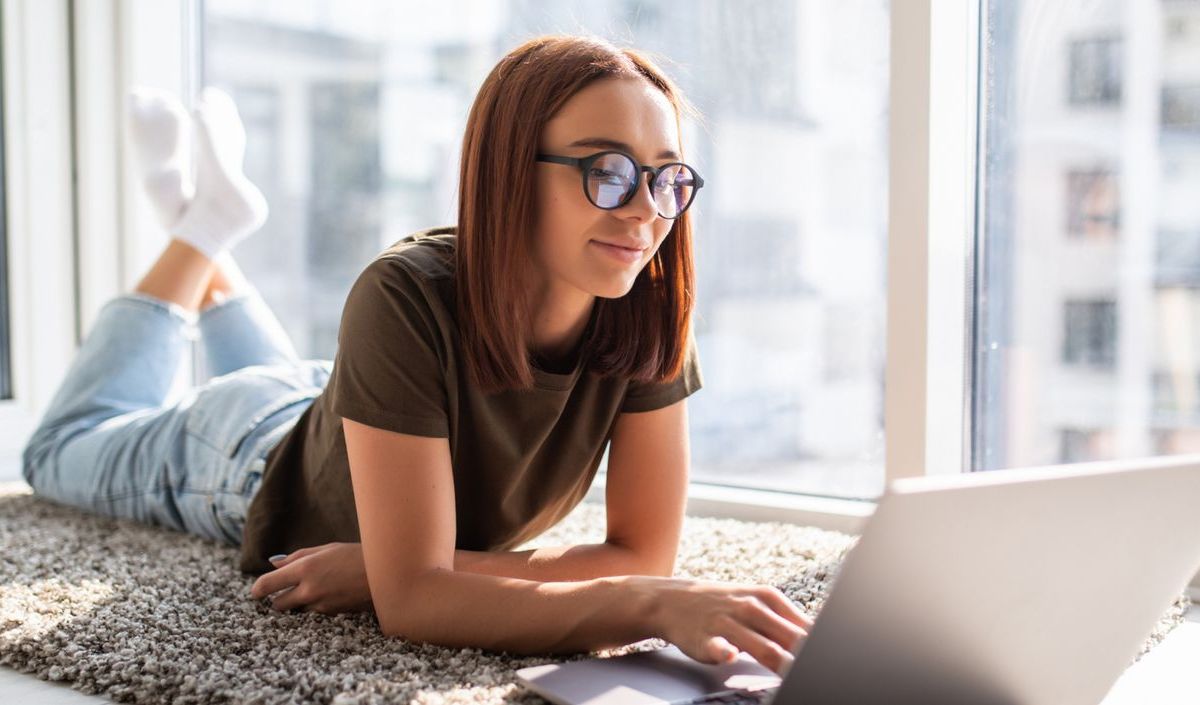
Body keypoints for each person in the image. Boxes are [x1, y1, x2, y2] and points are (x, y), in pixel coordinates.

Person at [20, 34, 813, 676]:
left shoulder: (644, 303)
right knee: (56, 450)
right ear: (510, 172)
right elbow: (421, 604)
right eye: (606, 173)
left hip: (358, 417)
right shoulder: (401, 294)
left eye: (667, 178)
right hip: (244, 454)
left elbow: (641, 550)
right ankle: (199, 235)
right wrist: (645, 602)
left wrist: (405, 569)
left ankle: (208, 232)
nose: (646, 211)